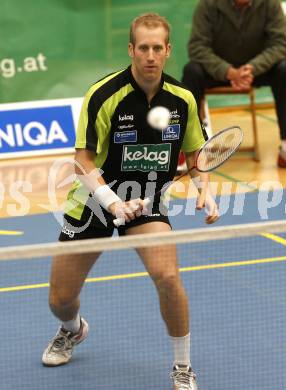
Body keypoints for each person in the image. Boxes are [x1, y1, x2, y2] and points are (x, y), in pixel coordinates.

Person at [42, 13, 219, 390]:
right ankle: (72, 329)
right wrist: (111, 203)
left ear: (168, 50)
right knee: (60, 298)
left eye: (158, 48)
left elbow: (195, 156)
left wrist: (205, 187)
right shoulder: (104, 94)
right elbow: (82, 160)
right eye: (144, 48)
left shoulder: (183, 99)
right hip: (93, 199)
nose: (151, 55)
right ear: (131, 50)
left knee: (168, 277)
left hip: (148, 200)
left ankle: (182, 365)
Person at [182, 0, 286, 167]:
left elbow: (280, 44)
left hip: (256, 69)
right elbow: (197, 47)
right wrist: (228, 71)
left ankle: (285, 146)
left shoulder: (270, 4)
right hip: (217, 70)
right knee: (192, 71)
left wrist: (252, 68)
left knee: (284, 69)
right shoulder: (207, 5)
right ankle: (188, 147)